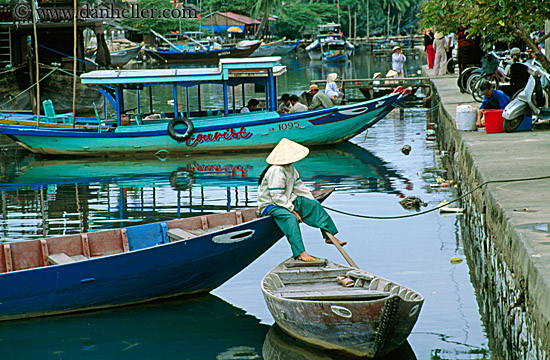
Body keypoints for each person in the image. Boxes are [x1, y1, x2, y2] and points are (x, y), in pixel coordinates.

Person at [257, 138, 345, 262]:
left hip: (286, 200)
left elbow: (299, 187)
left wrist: (310, 202)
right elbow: (277, 197)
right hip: (271, 205)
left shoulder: (290, 168)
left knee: (314, 205)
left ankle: (329, 236)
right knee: (291, 219)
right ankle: (300, 252)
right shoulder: (276, 170)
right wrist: (293, 211)